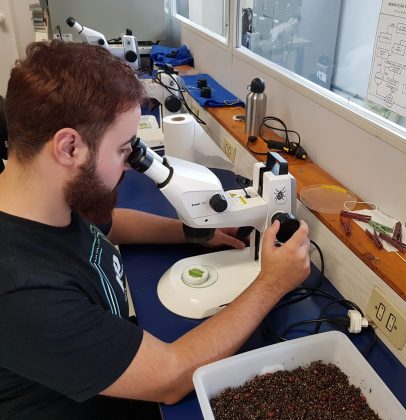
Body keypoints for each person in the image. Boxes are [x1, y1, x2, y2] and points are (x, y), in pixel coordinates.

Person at [0, 40, 310, 420]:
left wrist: (194, 232)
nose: (130, 165)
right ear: (68, 148)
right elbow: (169, 376)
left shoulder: (40, 197)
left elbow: (110, 226)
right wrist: (272, 283)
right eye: (122, 150)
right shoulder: (23, 290)